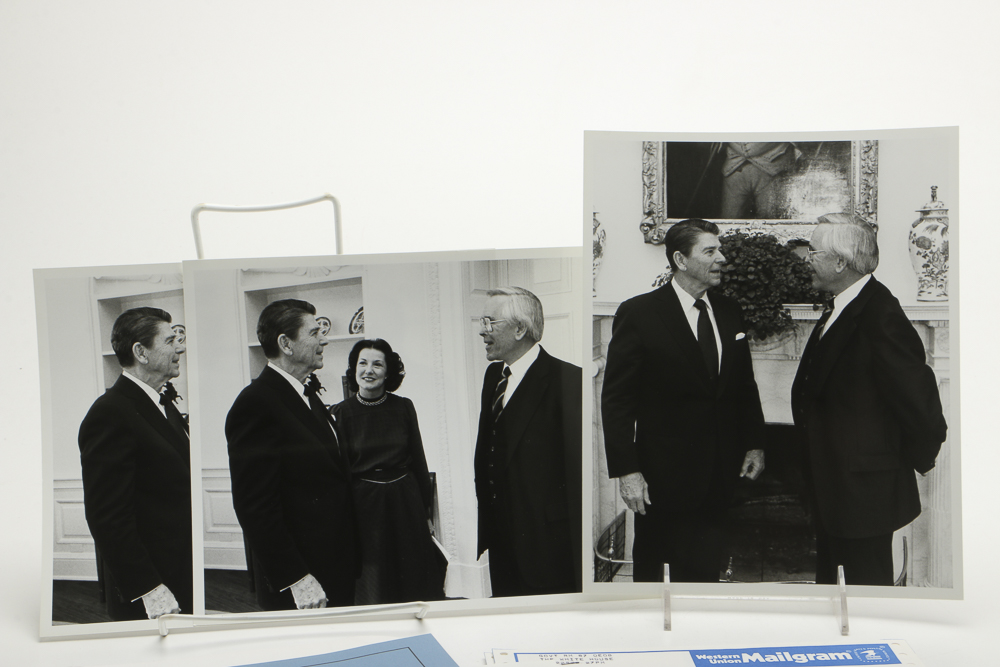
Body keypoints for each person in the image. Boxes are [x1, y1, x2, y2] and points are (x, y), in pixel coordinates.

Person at [601, 218, 766, 583]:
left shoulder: (729, 310)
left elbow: (744, 384)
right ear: (680, 259)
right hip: (662, 479)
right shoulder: (639, 313)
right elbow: (617, 400)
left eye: (720, 250)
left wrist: (754, 442)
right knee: (657, 578)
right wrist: (627, 471)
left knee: (704, 575)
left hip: (720, 475)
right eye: (710, 251)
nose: (722, 258)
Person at [792, 213, 947, 586]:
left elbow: (921, 405)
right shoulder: (844, 305)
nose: (806, 259)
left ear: (840, 262)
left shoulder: (880, 313)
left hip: (864, 494)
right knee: (837, 591)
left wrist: (909, 460)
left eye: (813, 252)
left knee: (863, 594)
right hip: (838, 488)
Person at [226, 299, 358, 611]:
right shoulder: (255, 403)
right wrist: (296, 578)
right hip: (302, 581)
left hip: (332, 563)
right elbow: (255, 507)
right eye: (314, 333)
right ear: (286, 344)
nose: (324, 340)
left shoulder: (305, 395)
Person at [78, 307, 192, 620]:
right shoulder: (109, 413)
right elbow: (108, 517)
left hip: (180, 572)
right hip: (153, 590)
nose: (180, 348)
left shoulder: (162, 404)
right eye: (169, 341)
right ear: (141, 352)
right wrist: (149, 588)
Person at [474, 287, 582, 597]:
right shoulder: (493, 376)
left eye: (489, 321)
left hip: (548, 549)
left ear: (520, 328)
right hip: (501, 543)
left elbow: (575, 476)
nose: (482, 330)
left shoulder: (570, 381)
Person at [332, 339, 445, 604]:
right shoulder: (340, 413)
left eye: (377, 364)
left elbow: (419, 460)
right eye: (362, 363)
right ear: (354, 369)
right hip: (365, 507)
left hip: (405, 501)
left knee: (414, 577)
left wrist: (426, 513)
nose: (368, 370)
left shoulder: (403, 406)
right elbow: (340, 474)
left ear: (388, 372)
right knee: (375, 583)